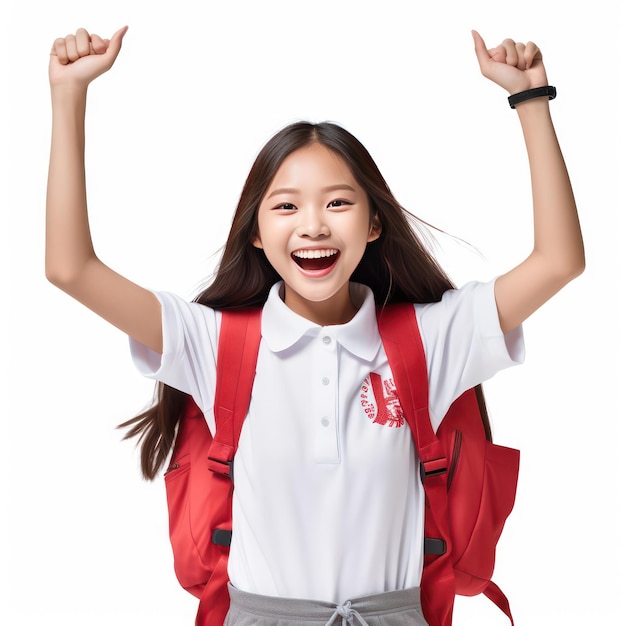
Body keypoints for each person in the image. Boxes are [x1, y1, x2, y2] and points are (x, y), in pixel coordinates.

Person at [46, 25, 584, 626]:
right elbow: (71, 270)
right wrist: (69, 95)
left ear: (375, 224)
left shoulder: (429, 340)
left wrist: (531, 100)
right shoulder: (212, 343)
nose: (313, 225)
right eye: (285, 206)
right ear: (255, 233)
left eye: (338, 202)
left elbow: (558, 262)